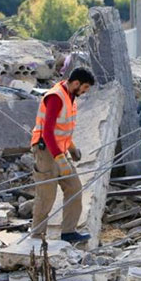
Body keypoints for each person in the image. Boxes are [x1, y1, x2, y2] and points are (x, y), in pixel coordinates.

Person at [29, 67, 95, 243]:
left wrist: (71, 148)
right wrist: (60, 159)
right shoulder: (56, 98)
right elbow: (48, 133)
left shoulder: (70, 97)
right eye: (85, 87)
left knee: (74, 188)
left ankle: (68, 232)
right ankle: (37, 235)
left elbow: (61, 130)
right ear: (76, 83)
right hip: (45, 151)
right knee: (46, 195)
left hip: (59, 149)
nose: (85, 91)